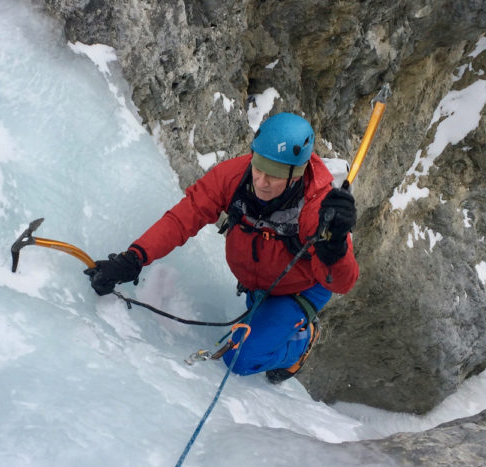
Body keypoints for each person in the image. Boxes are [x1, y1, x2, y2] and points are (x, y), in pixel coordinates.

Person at [84, 113, 358, 383]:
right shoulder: (235, 176)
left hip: (299, 288)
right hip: (259, 281)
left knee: (241, 358)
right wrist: (134, 258)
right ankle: (270, 322)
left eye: (273, 175)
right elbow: (183, 218)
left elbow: (342, 282)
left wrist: (333, 246)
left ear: (296, 175)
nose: (261, 182)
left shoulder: (317, 209)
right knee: (254, 328)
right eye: (259, 167)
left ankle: (303, 340)